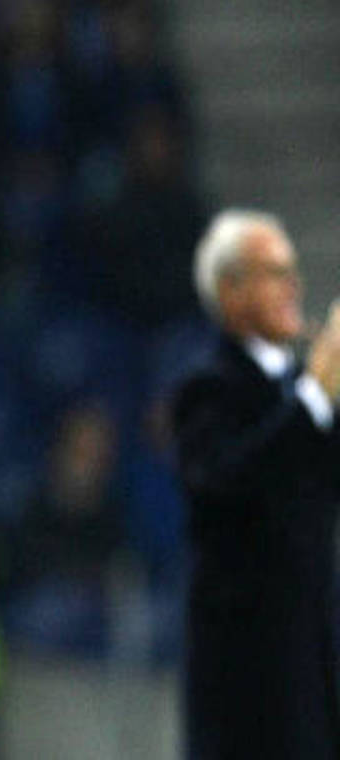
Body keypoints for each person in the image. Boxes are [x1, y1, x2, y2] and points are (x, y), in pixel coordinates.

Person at [173, 209, 340, 759]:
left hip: (310, 676)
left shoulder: (302, 392)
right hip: (243, 691)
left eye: (292, 270)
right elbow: (228, 480)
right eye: (274, 272)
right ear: (231, 290)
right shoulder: (205, 387)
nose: (294, 285)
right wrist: (314, 396)